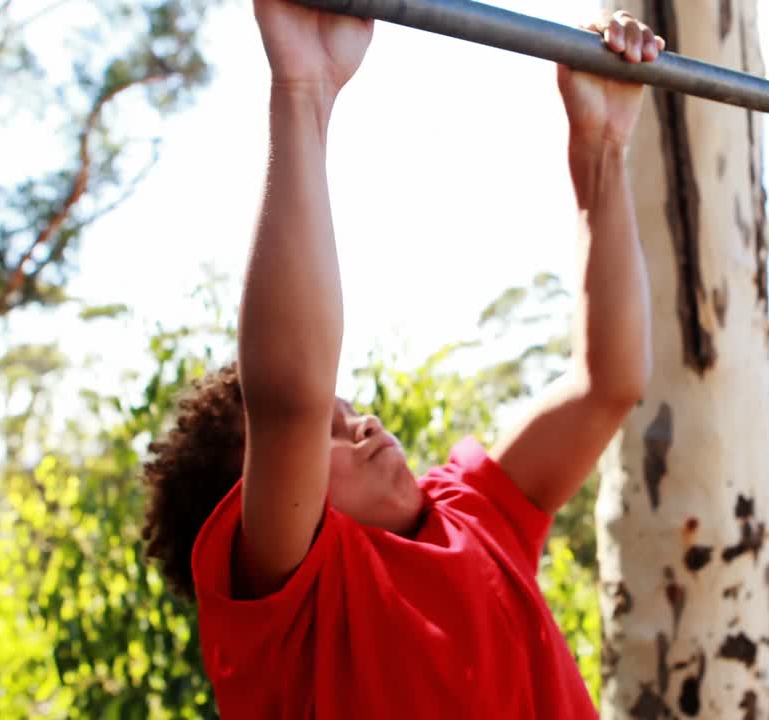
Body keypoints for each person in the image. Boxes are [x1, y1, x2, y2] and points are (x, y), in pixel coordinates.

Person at [141, 0, 662, 716]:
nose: (362, 425)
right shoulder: (290, 620)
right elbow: (289, 395)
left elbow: (609, 383)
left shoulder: (471, 510)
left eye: (347, 411)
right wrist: (302, 90)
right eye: (328, 436)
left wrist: (600, 148)